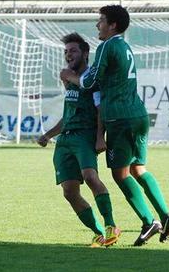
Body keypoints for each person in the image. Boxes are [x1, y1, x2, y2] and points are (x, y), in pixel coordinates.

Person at [60, 5, 169, 246]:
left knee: (119, 174)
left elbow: (91, 81)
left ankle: (149, 222)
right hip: (138, 115)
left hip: (119, 118)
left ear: (112, 25)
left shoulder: (108, 45)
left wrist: (69, 77)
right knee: (138, 169)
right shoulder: (125, 46)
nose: (97, 25)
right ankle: (166, 216)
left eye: (101, 20)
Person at [38, 33, 121, 248]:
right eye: (66, 52)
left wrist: (99, 137)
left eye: (73, 51)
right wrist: (48, 135)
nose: (68, 55)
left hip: (85, 136)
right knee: (69, 191)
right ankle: (99, 233)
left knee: (91, 177)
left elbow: (100, 108)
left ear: (85, 53)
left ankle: (111, 225)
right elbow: (68, 117)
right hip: (65, 141)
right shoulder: (69, 80)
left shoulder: (92, 78)